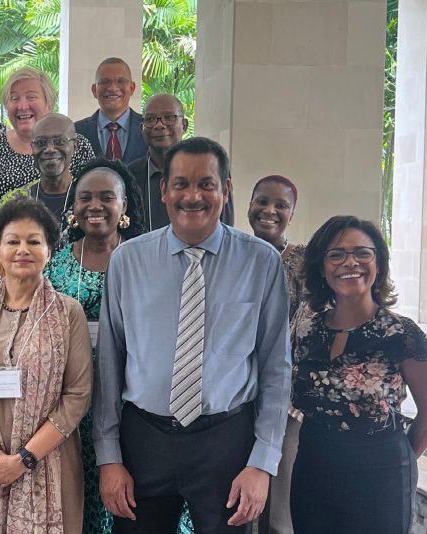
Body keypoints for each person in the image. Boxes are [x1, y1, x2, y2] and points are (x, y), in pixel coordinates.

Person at [94, 137, 291, 534]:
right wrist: (109, 456)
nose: (193, 196)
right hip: (144, 441)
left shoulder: (261, 262)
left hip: (226, 441)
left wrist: (262, 462)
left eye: (206, 184)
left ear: (226, 190)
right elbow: (110, 364)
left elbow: (276, 367)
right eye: (181, 184)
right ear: (164, 190)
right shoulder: (128, 261)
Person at [43, 160, 199, 534]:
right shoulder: (53, 266)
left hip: (136, 407)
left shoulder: (149, 261)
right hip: (72, 404)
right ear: (73, 207)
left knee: (135, 501)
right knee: (81, 498)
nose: (94, 206)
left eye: (106, 197)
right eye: (85, 197)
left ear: (124, 206)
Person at [0, 197, 92, 531]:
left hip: (49, 463)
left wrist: (23, 459)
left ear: (49, 251)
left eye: (33, 241)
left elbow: (77, 395)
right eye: (13, 241)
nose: (23, 250)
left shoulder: (68, 313)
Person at [289, 216, 427, 534]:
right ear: (321, 267)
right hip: (312, 471)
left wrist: (401, 457)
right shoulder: (307, 330)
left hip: (381, 477)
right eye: (336, 254)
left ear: (378, 262)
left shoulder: (401, 333)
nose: (350, 262)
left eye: (362, 253)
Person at [247, 174, 305, 534]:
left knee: (277, 505)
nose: (269, 211)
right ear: (249, 205)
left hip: (285, 398)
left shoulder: (303, 263)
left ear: (291, 213)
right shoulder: (234, 254)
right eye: (262, 202)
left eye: (280, 205)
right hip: (237, 396)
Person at [0, 67, 96, 214]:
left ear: (48, 103)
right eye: (14, 98)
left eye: (31, 97)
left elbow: (93, 194)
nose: (22, 106)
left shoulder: (76, 145)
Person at [126, 93, 234, 230]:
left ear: (184, 125)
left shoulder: (211, 169)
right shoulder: (130, 174)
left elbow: (224, 225)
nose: (159, 125)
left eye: (169, 117)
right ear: (141, 128)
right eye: (150, 119)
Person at [0, 113, 80, 223]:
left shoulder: (87, 198)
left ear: (74, 146)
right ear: (32, 148)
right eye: (40, 143)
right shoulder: (13, 201)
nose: (50, 149)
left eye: (60, 142)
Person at [74, 58, 146, 163]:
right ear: (94, 90)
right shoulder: (76, 132)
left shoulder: (148, 129)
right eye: (105, 82)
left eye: (120, 81)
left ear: (132, 88)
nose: (113, 88)